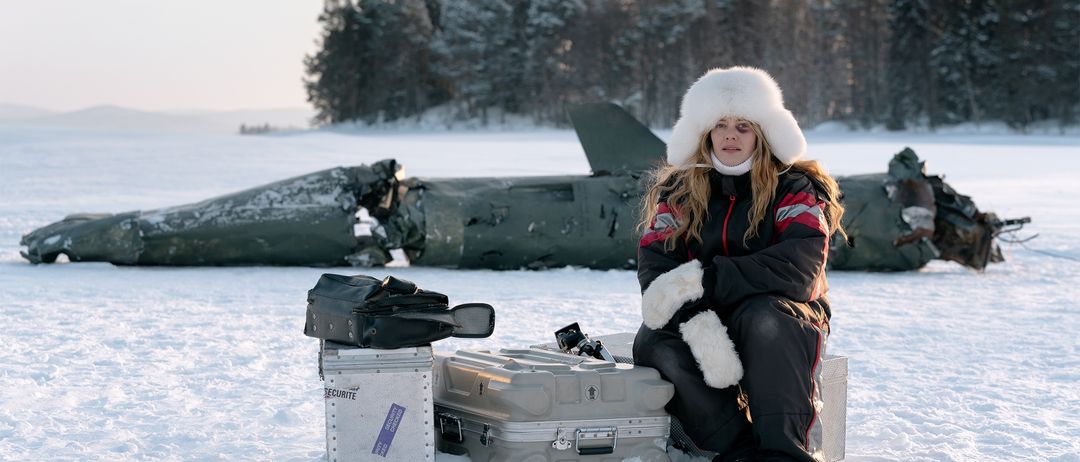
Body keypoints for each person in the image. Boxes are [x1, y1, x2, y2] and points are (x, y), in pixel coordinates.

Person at [632, 66, 845, 462]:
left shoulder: (793, 187)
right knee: (654, 340)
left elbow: (800, 266)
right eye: (721, 125)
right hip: (705, 310)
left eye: (743, 126)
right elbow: (656, 263)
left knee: (762, 318)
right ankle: (737, 452)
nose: (731, 135)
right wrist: (694, 315)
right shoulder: (678, 191)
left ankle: (782, 452)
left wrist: (707, 280)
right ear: (705, 133)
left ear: (762, 133)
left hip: (785, 311)